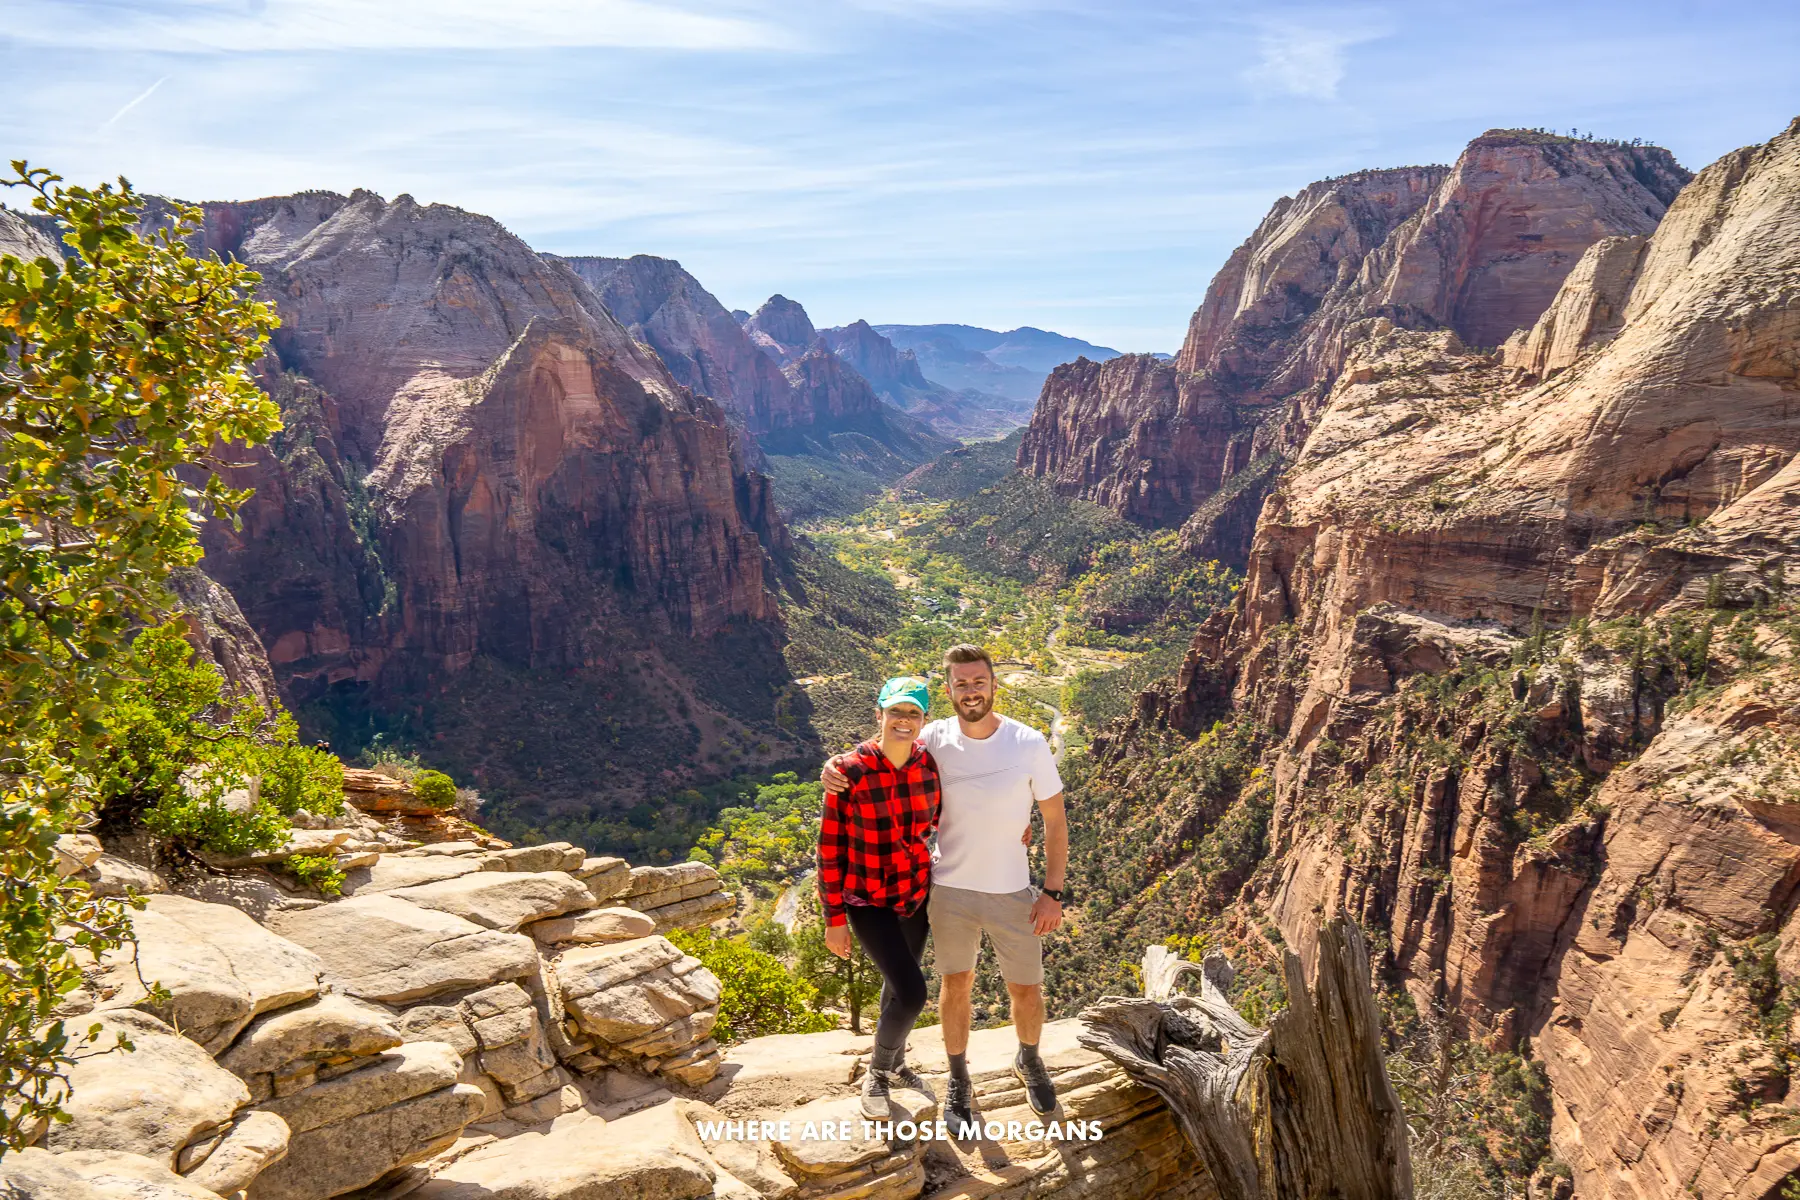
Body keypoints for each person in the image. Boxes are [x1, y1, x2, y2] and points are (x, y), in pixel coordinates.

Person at [823, 644, 1066, 1134]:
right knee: (944, 987)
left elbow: (1054, 818)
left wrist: (1052, 890)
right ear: (950, 690)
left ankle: (1028, 1061)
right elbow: (836, 832)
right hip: (938, 891)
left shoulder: (1021, 743)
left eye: (978, 682)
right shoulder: (922, 742)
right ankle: (940, 1080)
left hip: (983, 890)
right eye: (960, 683)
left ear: (995, 685)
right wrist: (832, 767)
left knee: (1024, 988)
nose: (970, 691)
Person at [817, 675, 942, 1119]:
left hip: (914, 894)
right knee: (912, 992)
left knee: (897, 982)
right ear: (879, 715)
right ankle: (877, 1073)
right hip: (867, 900)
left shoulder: (930, 766)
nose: (904, 721)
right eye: (896, 712)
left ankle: (897, 1060)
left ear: (923, 720)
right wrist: (833, 917)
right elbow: (829, 850)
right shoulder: (849, 771)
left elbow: (951, 816)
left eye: (913, 713)